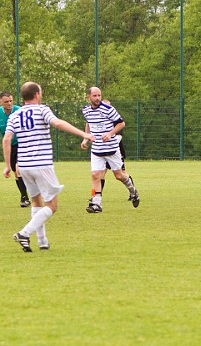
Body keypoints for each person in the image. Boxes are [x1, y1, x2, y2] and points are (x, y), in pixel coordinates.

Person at [3, 81, 94, 252]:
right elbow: (58, 123)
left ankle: (42, 242)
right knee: (52, 206)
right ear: (37, 94)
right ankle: (24, 233)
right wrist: (84, 134)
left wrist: (8, 166)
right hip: (42, 165)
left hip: (23, 167)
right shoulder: (42, 109)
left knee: (36, 203)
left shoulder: (15, 115)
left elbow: (7, 139)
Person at [80, 87, 140, 213]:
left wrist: (110, 133)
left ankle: (133, 191)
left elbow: (121, 123)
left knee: (119, 176)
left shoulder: (108, 109)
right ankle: (96, 204)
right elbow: (89, 123)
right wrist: (86, 138)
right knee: (95, 175)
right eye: (95, 96)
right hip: (96, 149)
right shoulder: (86, 110)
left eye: (99, 95)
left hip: (111, 148)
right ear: (88, 97)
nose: (97, 98)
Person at [0, 92, 31, 207]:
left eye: (11, 101)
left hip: (23, 143)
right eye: (6, 101)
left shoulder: (19, 111)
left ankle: (25, 198)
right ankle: (25, 196)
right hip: (10, 146)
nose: (9, 103)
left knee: (19, 169)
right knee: (15, 172)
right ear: (1, 102)